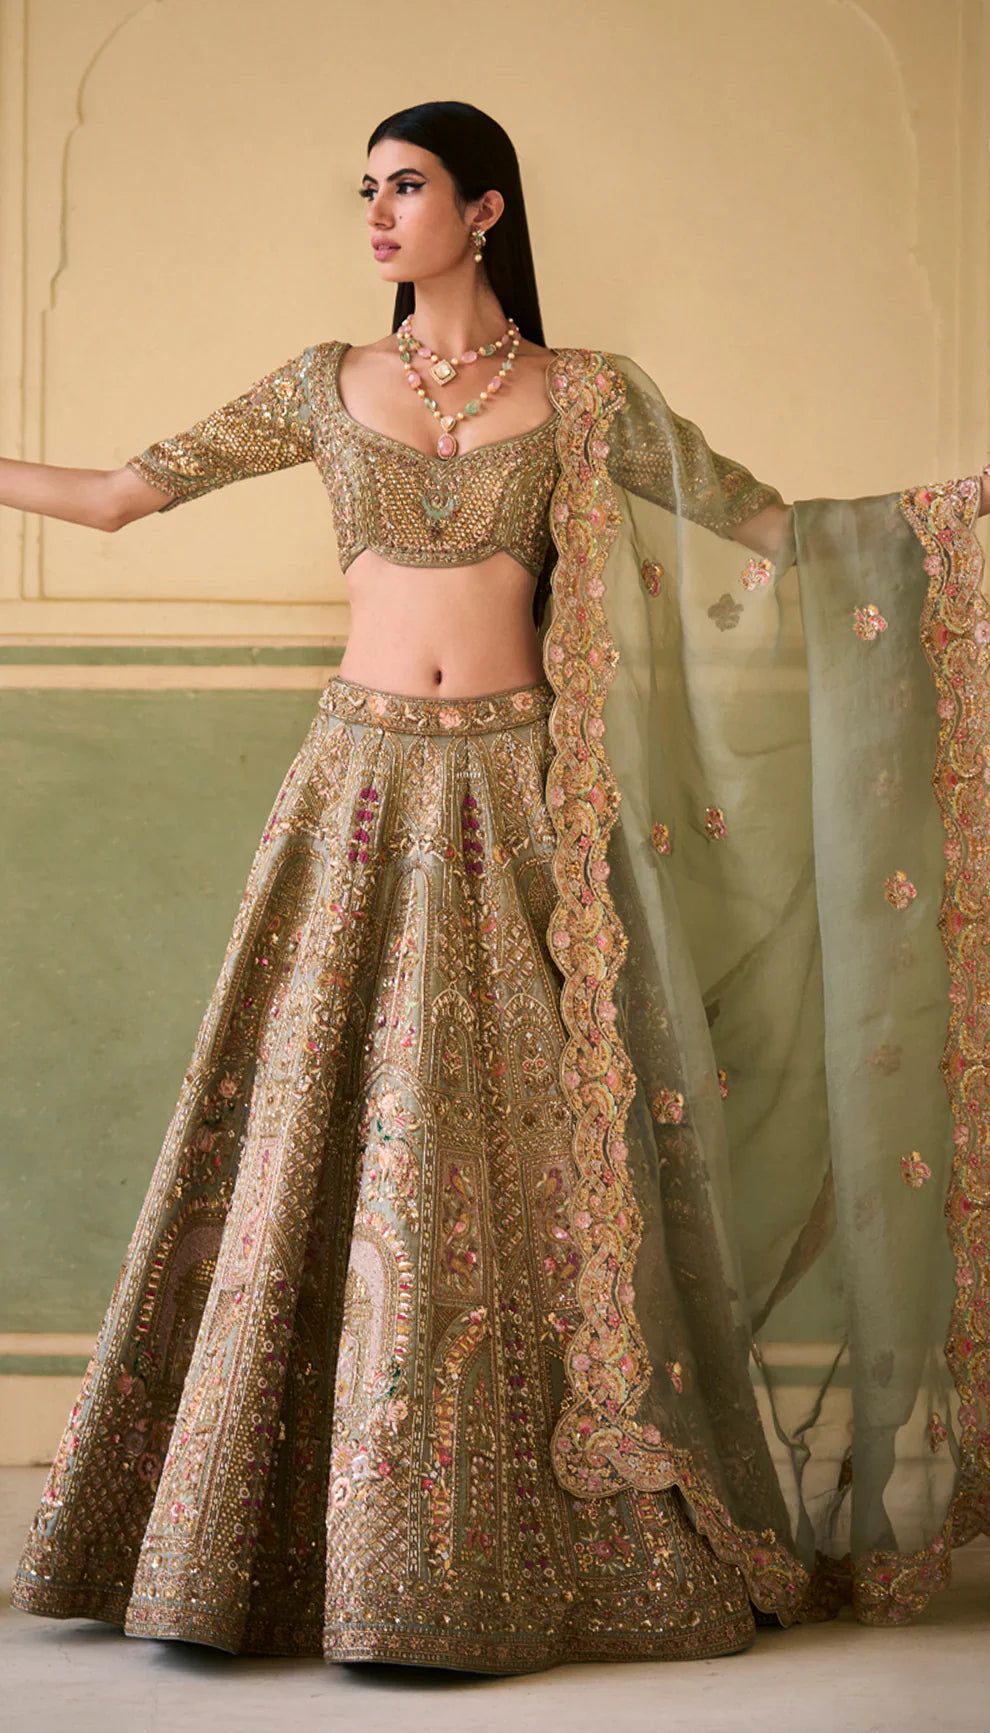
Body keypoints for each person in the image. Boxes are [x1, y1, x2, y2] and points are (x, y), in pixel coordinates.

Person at [6, 100, 990, 1676]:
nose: (376, 214)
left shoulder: (586, 396)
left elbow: (759, 526)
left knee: (537, 1159)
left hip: (524, 803)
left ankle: (528, 1534)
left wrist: (945, 517)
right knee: (323, 1134)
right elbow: (124, 492)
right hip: (356, 793)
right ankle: (289, 1539)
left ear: (484, 209)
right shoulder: (322, 384)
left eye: (405, 187)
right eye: (366, 189)